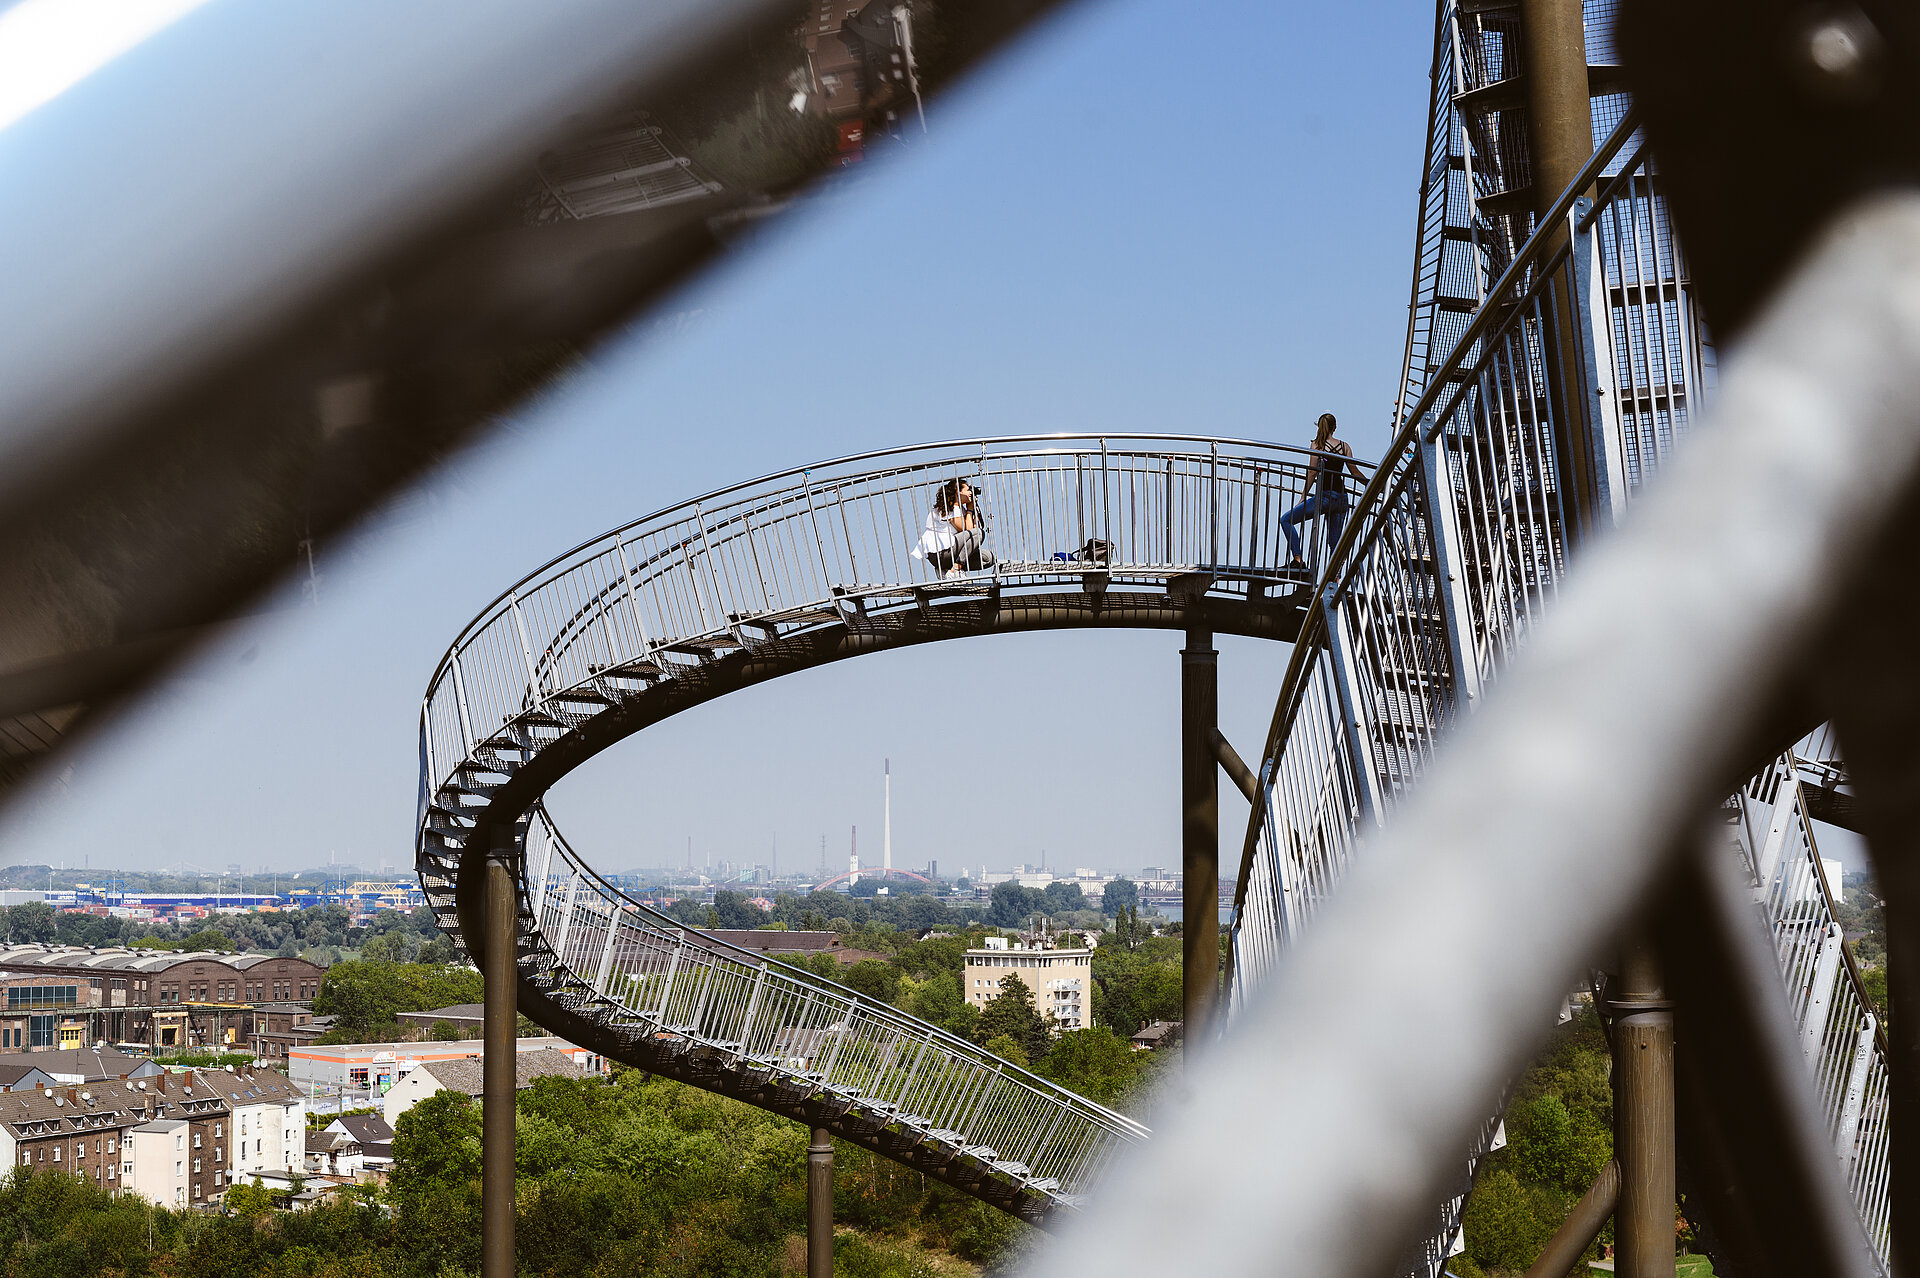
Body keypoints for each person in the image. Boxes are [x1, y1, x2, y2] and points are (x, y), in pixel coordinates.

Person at [1279, 413, 1367, 573]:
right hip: (1341, 499)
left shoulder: (1317, 445)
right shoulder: (1344, 446)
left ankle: (1297, 560)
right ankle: (1336, 579)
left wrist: (1304, 495)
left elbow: (1312, 473)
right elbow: (1354, 471)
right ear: (1335, 427)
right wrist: (1371, 483)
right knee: (1334, 543)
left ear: (1319, 427)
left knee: (1286, 519)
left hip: (1324, 497)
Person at [916, 477, 995, 578]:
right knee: (978, 533)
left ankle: (947, 569)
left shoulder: (961, 509)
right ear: (958, 493)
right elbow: (970, 531)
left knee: (988, 558)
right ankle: (955, 570)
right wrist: (970, 509)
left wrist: (973, 510)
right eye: (968, 490)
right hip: (938, 553)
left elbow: (974, 531)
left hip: (951, 551)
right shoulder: (949, 507)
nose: (971, 492)